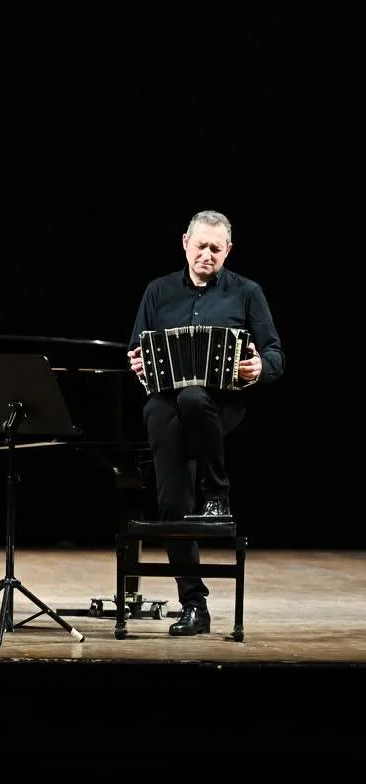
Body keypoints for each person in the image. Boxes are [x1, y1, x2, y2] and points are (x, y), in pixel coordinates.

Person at [127, 209, 284, 636]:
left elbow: (274, 353)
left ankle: (217, 493)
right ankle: (194, 605)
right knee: (171, 502)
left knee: (195, 396)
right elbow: (137, 347)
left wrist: (259, 367)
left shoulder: (247, 292)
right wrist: (136, 361)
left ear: (228, 250)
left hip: (221, 403)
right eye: (201, 246)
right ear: (185, 243)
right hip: (165, 403)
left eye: (216, 248)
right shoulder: (157, 291)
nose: (207, 254)